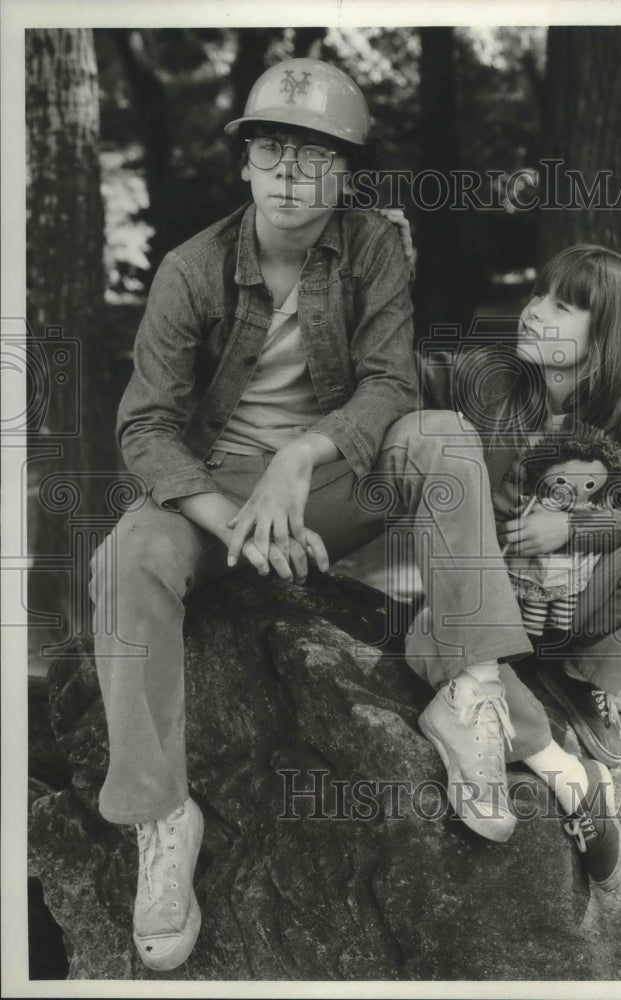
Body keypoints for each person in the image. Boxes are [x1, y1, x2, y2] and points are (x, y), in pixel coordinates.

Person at [89, 56, 538, 973]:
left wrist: (301, 456)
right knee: (127, 550)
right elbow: (144, 426)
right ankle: (163, 813)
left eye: (315, 158)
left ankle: (469, 694)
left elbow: (388, 385)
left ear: (344, 174)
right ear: (244, 165)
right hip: (218, 495)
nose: (291, 176)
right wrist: (236, 517)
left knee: (443, 437)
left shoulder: (372, 248)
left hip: (332, 483)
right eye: (272, 153)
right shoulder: (190, 270)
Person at [417, 243, 621, 891]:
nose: (535, 310)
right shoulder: (491, 378)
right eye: (539, 295)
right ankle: (571, 780)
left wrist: (571, 527)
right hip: (491, 606)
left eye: (563, 306)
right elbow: (411, 375)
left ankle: (590, 678)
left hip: (573, 603)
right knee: (438, 636)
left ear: (605, 340)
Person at [503, 434, 621, 636]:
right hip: (539, 566)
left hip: (572, 570)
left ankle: (556, 644)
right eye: (561, 480)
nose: (574, 488)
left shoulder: (590, 508)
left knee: (564, 611)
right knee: (534, 609)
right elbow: (520, 516)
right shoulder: (540, 501)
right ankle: (530, 648)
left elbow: (606, 520)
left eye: (589, 485)